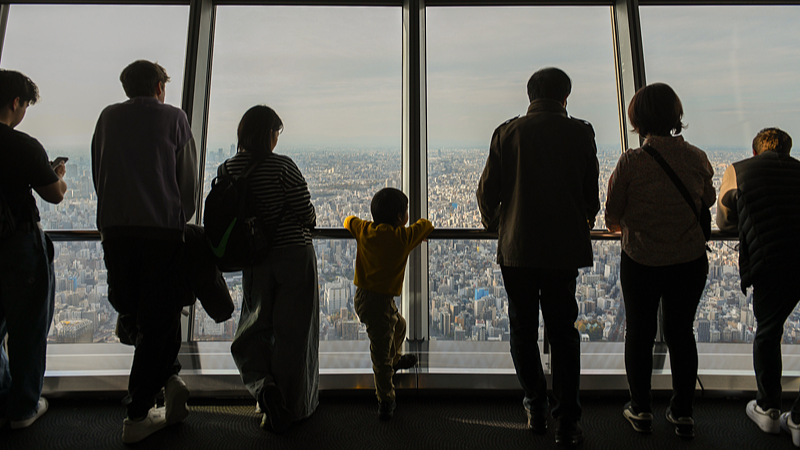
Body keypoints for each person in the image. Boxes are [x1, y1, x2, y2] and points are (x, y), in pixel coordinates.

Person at [476, 67, 599, 445]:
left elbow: (486, 194)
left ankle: (535, 404)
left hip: (517, 249)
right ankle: (568, 420)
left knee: (522, 328)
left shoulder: (507, 132)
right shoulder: (581, 132)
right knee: (564, 333)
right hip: (563, 249)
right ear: (566, 98)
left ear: (530, 96)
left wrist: (500, 224)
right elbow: (590, 196)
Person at [91, 60, 197, 444]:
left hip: (116, 232)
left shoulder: (107, 118)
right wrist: (176, 215)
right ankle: (138, 412)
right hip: (161, 233)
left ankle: (168, 379)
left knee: (133, 310)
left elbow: (97, 173)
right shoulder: (175, 118)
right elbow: (188, 182)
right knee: (159, 315)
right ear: (158, 86)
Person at [605, 83, 714, 439]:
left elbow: (612, 216)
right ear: (675, 115)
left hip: (641, 261)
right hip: (689, 260)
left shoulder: (631, 162)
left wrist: (638, 227)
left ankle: (640, 409)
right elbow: (707, 199)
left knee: (639, 333)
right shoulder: (697, 157)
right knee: (681, 333)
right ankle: (683, 411)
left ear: (638, 120)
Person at [226, 105, 319, 434]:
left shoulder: (229, 168)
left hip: (255, 259)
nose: (277, 139)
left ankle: (264, 389)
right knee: (293, 334)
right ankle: (291, 407)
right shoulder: (283, 166)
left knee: (253, 329)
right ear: (268, 134)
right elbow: (306, 212)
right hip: (294, 254)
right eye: (276, 132)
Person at [717, 127, 800, 446]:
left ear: (755, 151)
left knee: (768, 332)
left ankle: (768, 408)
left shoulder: (739, 170)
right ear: (789, 152)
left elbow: (725, 222)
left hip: (772, 258)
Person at [0, 69, 67, 429]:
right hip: (18, 246)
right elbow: (54, 194)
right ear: (16, 102)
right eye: (25, 105)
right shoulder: (22, 145)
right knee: (27, 329)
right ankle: (23, 408)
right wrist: (57, 173)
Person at [344, 188, 433, 420]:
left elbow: (348, 221)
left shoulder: (364, 230)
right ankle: (385, 399)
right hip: (379, 302)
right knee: (380, 354)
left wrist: (356, 221)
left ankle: (395, 361)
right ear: (399, 218)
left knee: (400, 326)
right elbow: (425, 225)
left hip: (366, 297)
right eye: (405, 213)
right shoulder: (401, 237)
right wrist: (414, 228)